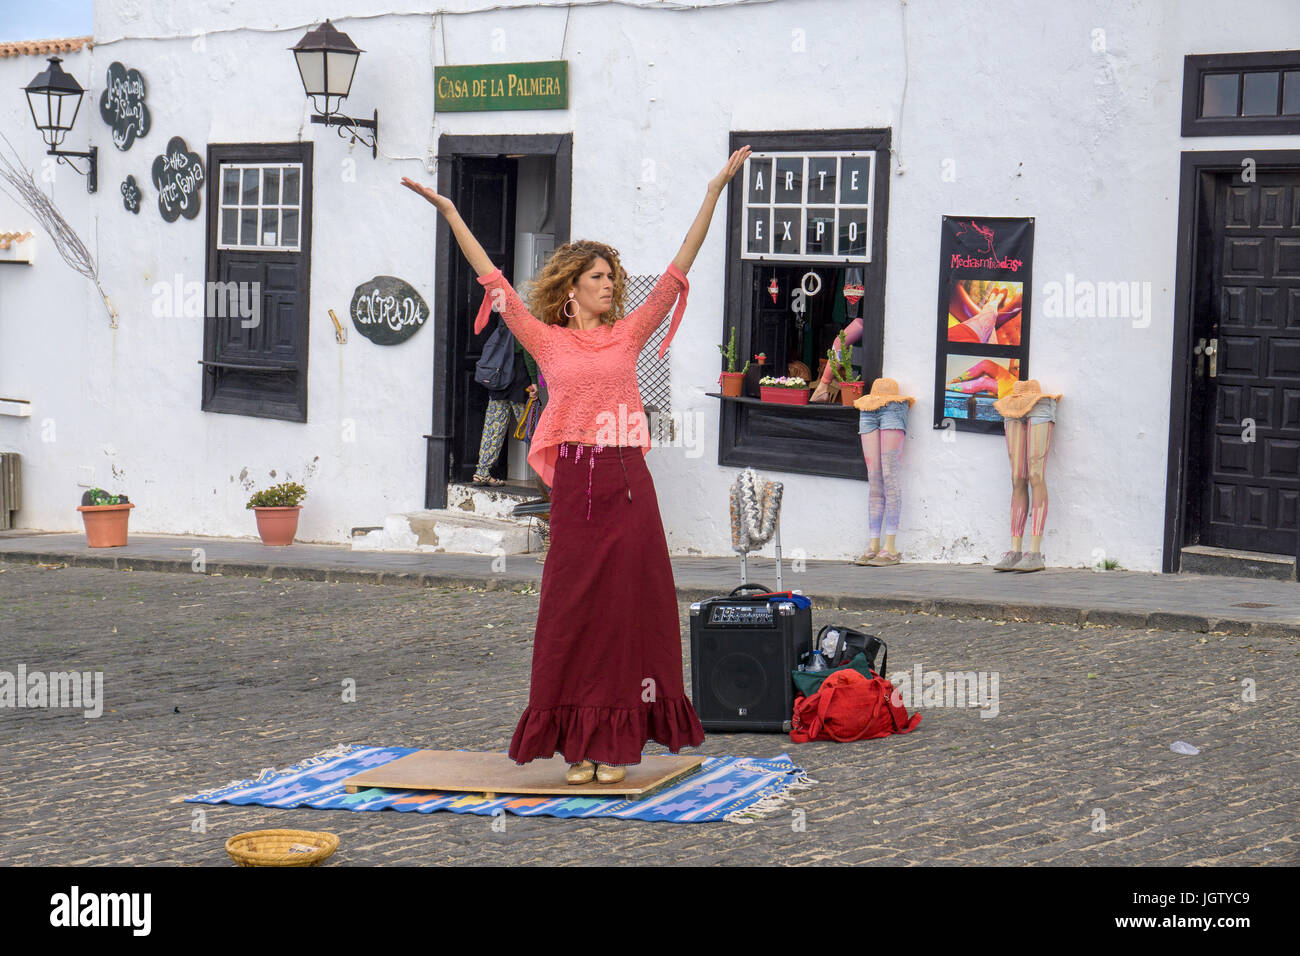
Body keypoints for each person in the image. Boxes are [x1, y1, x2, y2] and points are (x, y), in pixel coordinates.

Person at [401, 144, 751, 785]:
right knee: (572, 613)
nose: (609, 285)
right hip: (576, 488)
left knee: (629, 611)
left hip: (625, 484)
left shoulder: (630, 331)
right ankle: (579, 747)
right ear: (571, 289)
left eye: (612, 277)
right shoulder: (546, 338)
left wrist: (713, 191)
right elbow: (494, 284)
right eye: (598, 277)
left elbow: (679, 268)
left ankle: (618, 746)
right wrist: (451, 211)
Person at [473, 334, 539, 486]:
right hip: (519, 379)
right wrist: (534, 380)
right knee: (531, 427)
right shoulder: (521, 323)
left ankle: (482, 472)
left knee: (494, 427)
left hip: (500, 378)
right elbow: (528, 353)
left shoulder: (503, 324)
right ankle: (548, 473)